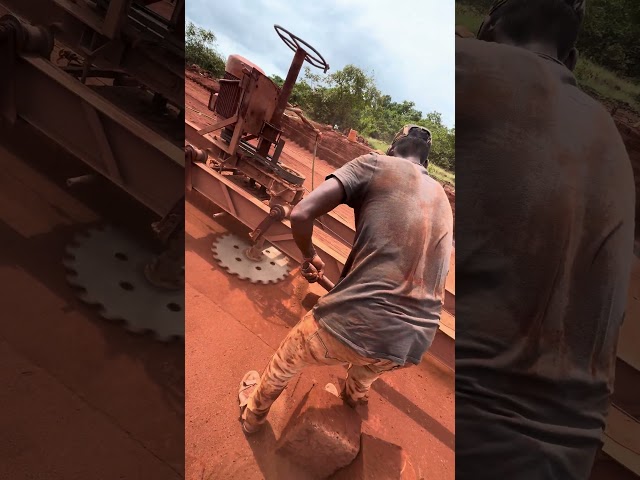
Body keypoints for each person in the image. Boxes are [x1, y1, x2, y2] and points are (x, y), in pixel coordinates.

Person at [455, 1, 635, 479]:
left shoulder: (468, 66)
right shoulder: (611, 141)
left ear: (487, 25)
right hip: (573, 452)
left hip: (475, 428)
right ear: (573, 59)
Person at [237, 126, 453, 434]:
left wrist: (309, 255)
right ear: (427, 164)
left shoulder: (376, 163)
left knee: (292, 353)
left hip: (358, 323)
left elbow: (300, 215)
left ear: (391, 150)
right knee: (369, 366)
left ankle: (253, 415)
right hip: (413, 344)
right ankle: (354, 396)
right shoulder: (442, 199)